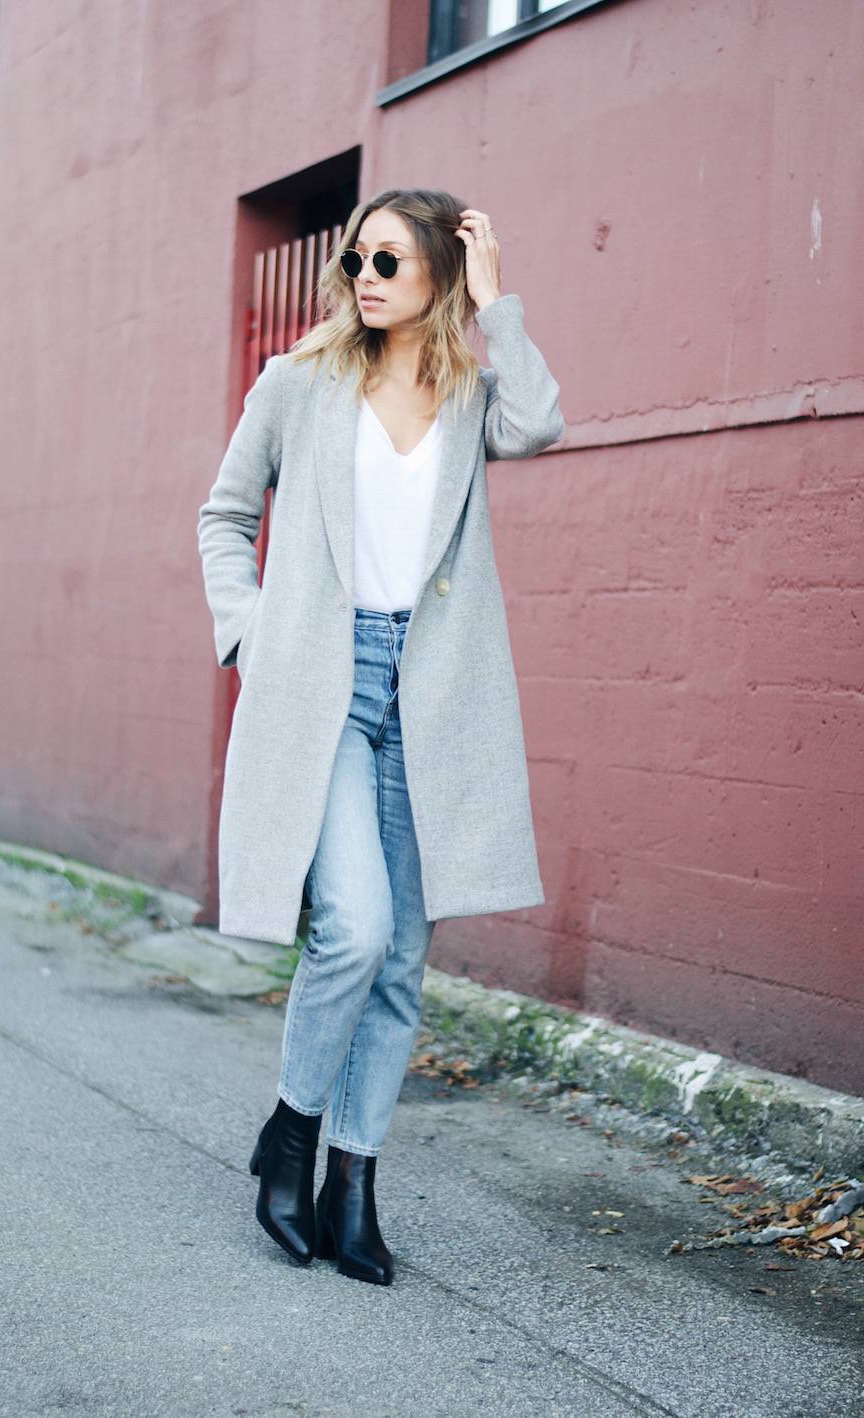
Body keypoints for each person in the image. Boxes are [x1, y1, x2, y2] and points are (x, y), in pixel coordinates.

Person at [197, 188, 565, 1286]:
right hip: (323, 679)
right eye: (358, 256)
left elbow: (540, 421)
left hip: (428, 688)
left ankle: (352, 1185)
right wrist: (249, 630)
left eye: (391, 261)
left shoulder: (466, 393)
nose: (364, 274)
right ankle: (290, 1134)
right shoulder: (298, 384)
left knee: (404, 952)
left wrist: (497, 307)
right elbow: (224, 512)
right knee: (352, 928)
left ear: (438, 279)